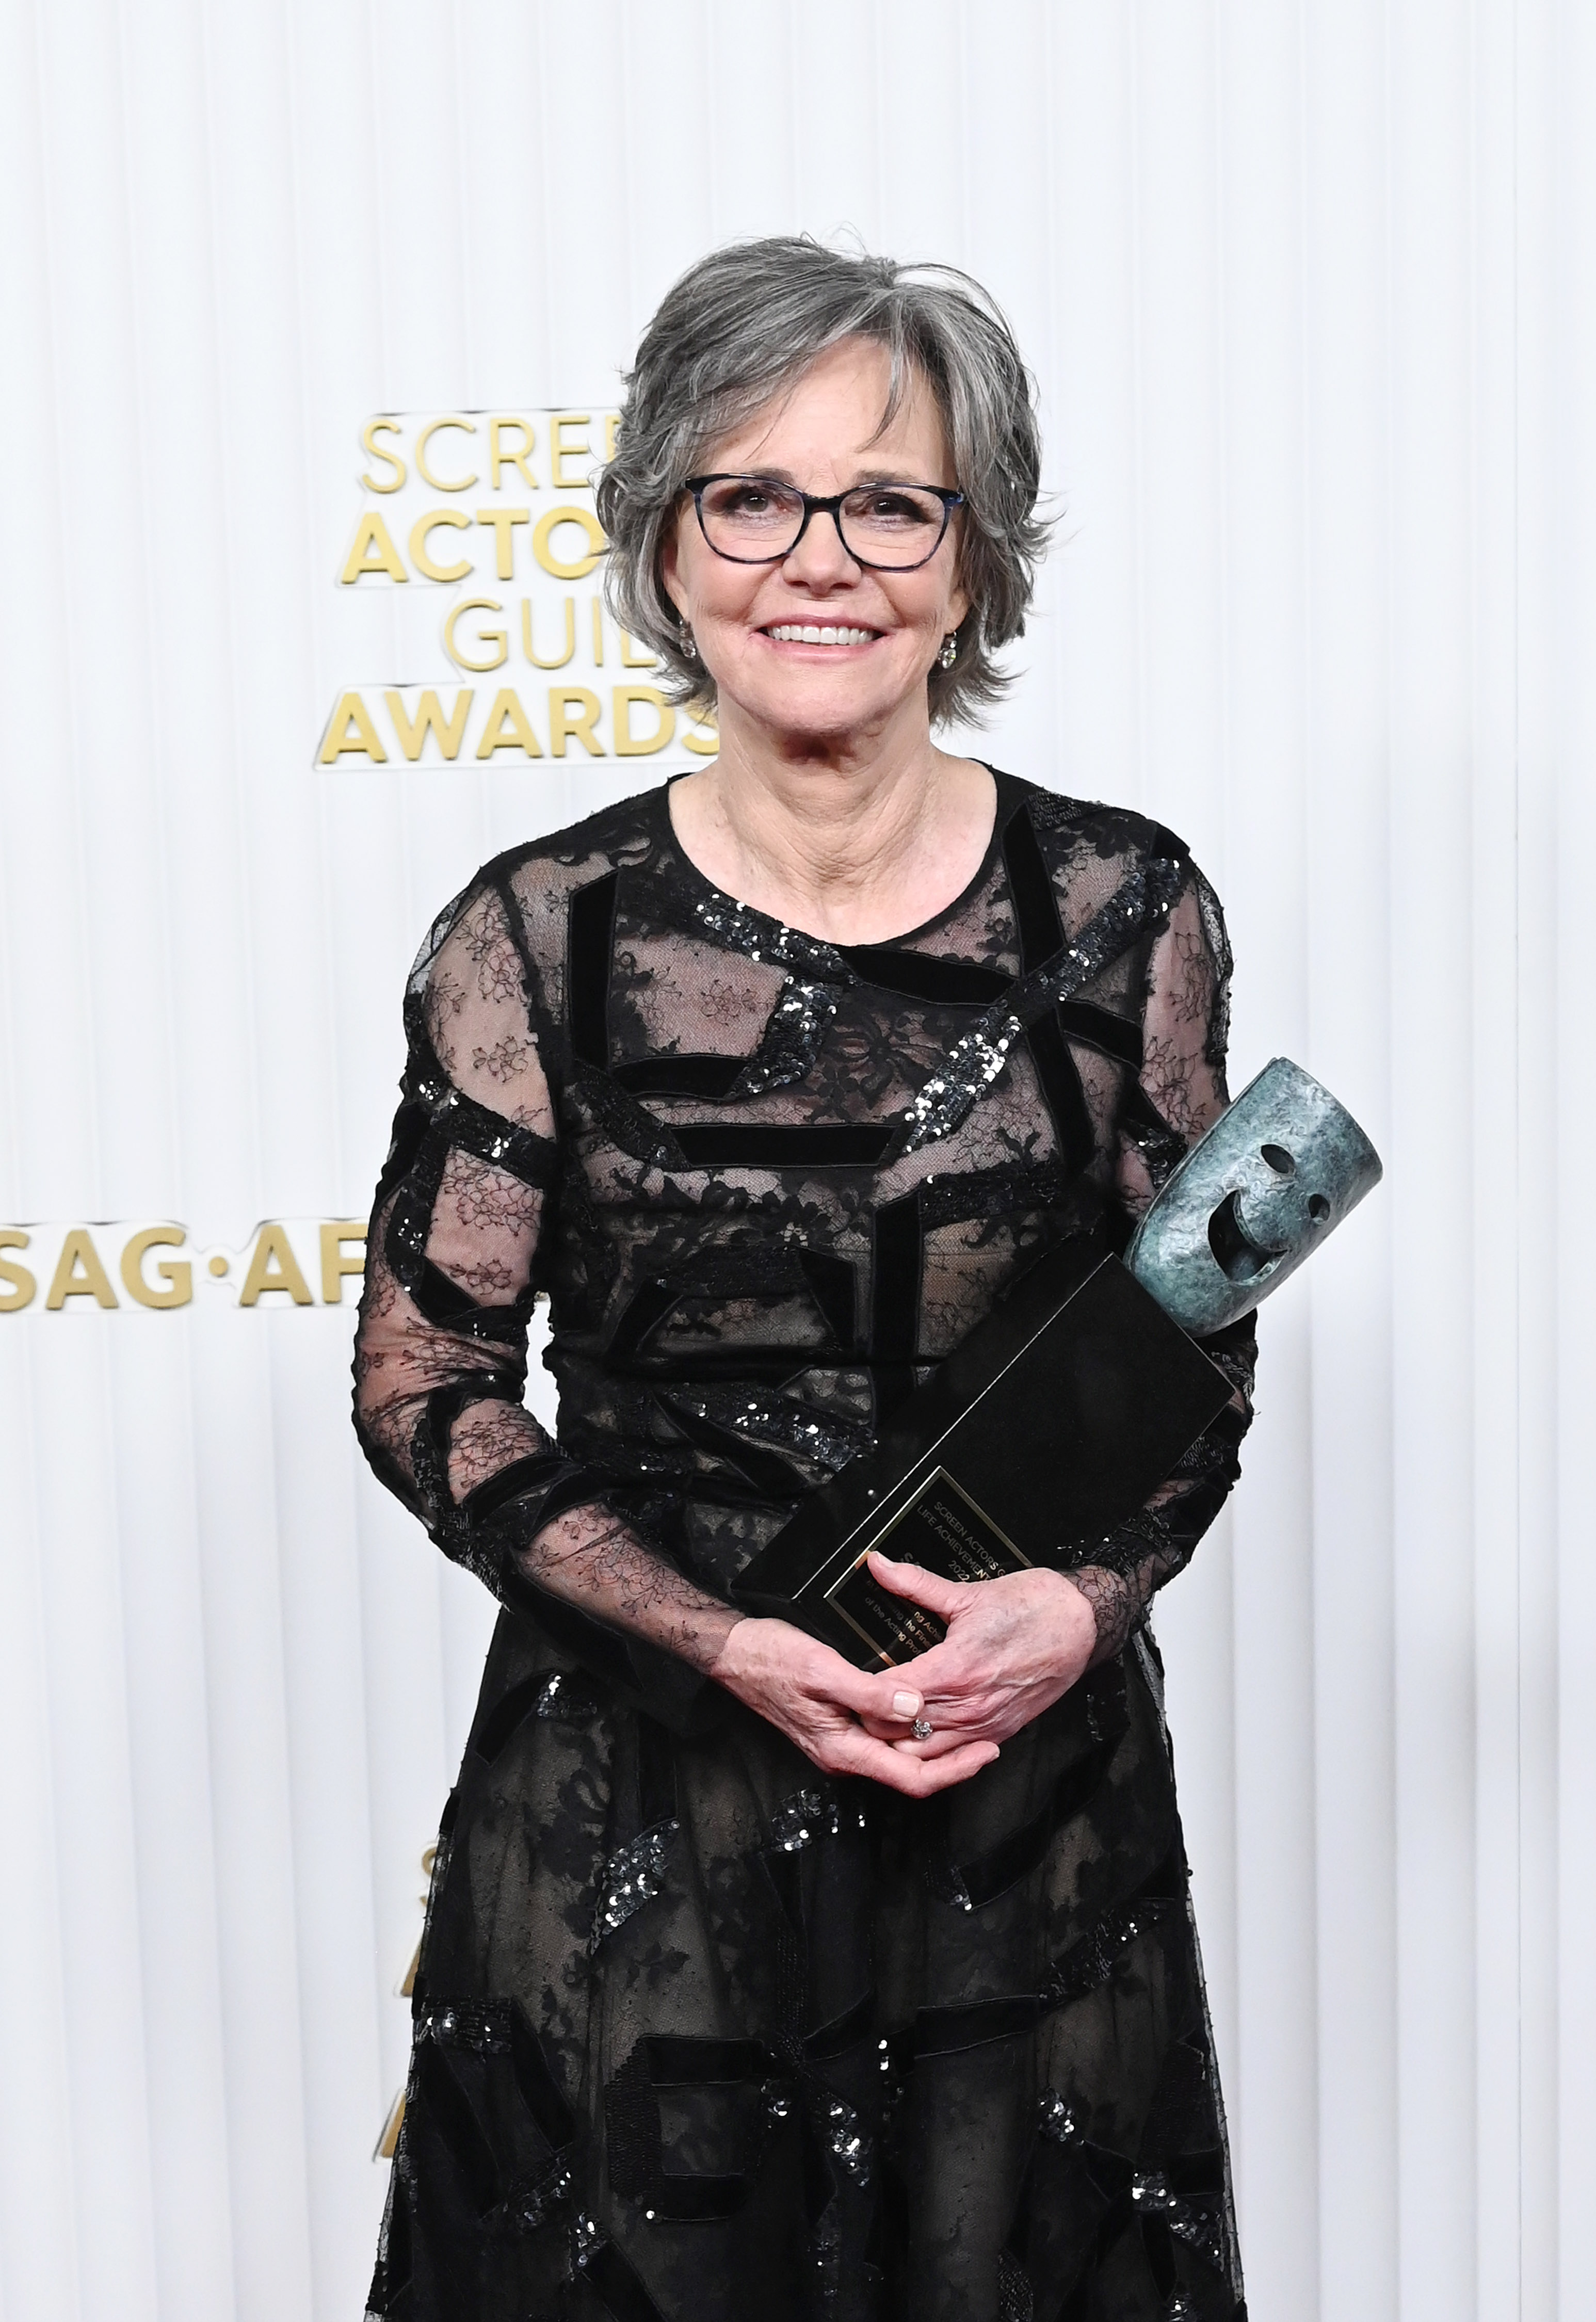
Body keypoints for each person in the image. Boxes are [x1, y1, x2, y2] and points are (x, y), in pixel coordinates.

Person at [354, 236, 1256, 2322]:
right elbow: (431, 1377)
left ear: (968, 558)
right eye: (747, 496)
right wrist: (716, 1644)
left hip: (1008, 1797)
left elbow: (1190, 1359)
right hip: (636, 1811)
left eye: (887, 499)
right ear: (666, 548)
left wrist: (1081, 1605)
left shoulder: (1124, 911)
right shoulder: (538, 935)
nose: (814, 557)